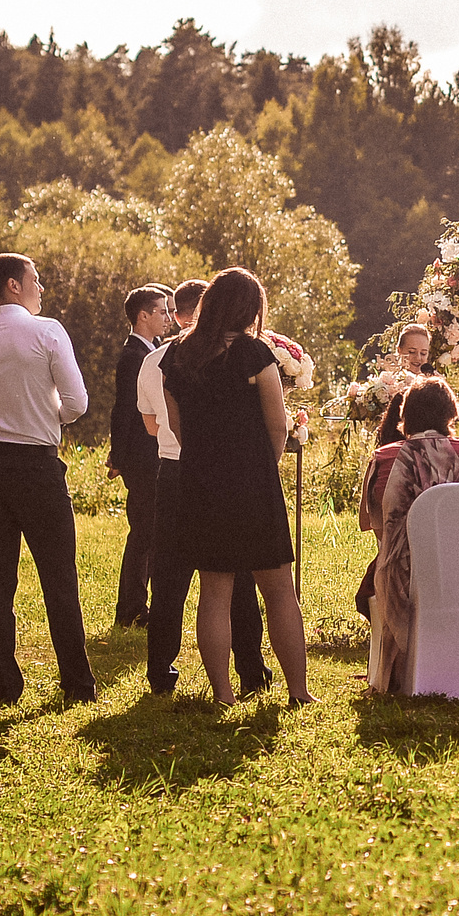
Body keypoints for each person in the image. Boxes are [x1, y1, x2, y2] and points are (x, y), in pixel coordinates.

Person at [160, 268, 313, 708]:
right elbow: (277, 426)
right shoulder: (253, 354)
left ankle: (223, 693)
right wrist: (262, 464)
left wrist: (207, 460)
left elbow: (176, 425)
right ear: (250, 309)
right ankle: (298, 692)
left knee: (214, 589)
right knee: (279, 589)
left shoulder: (176, 356)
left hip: (199, 480)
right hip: (251, 480)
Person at [0, 253, 97, 706]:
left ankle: (5, 685)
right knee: (58, 576)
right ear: (13, 285)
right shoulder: (47, 330)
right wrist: (37, 415)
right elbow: (77, 404)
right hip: (35, 464)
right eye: (36, 280)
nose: (41, 289)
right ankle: (76, 683)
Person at [139, 280, 270, 697]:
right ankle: (251, 669)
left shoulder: (159, 358)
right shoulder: (240, 354)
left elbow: (153, 424)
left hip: (176, 468)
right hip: (229, 473)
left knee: (170, 578)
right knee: (239, 578)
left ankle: (161, 670)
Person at [363, 376, 459, 689]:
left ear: (406, 414)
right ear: (451, 413)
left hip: (405, 577)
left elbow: (373, 526)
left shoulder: (383, 458)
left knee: (371, 580)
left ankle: (401, 668)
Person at [108, 284, 174, 628]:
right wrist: (118, 456)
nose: (168, 318)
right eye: (162, 311)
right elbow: (123, 410)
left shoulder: (156, 349)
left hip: (152, 453)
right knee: (143, 533)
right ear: (143, 315)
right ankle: (131, 608)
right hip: (142, 456)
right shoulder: (133, 356)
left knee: (150, 532)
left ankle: (137, 606)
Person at [373, 323, 434, 446]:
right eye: (412, 352)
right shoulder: (386, 383)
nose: (418, 358)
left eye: (423, 353)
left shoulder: (435, 384)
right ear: (399, 350)